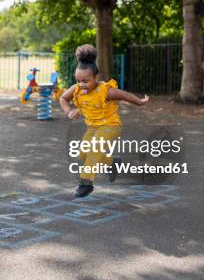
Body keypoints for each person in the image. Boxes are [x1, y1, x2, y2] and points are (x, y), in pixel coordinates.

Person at [59, 44, 149, 197]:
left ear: (96, 78)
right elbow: (63, 98)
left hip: (110, 126)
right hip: (93, 128)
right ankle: (112, 163)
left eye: (86, 81)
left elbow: (125, 95)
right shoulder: (77, 89)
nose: (81, 84)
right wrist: (69, 111)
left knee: (94, 150)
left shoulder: (105, 91)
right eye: (78, 80)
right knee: (82, 154)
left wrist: (140, 102)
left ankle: (86, 183)